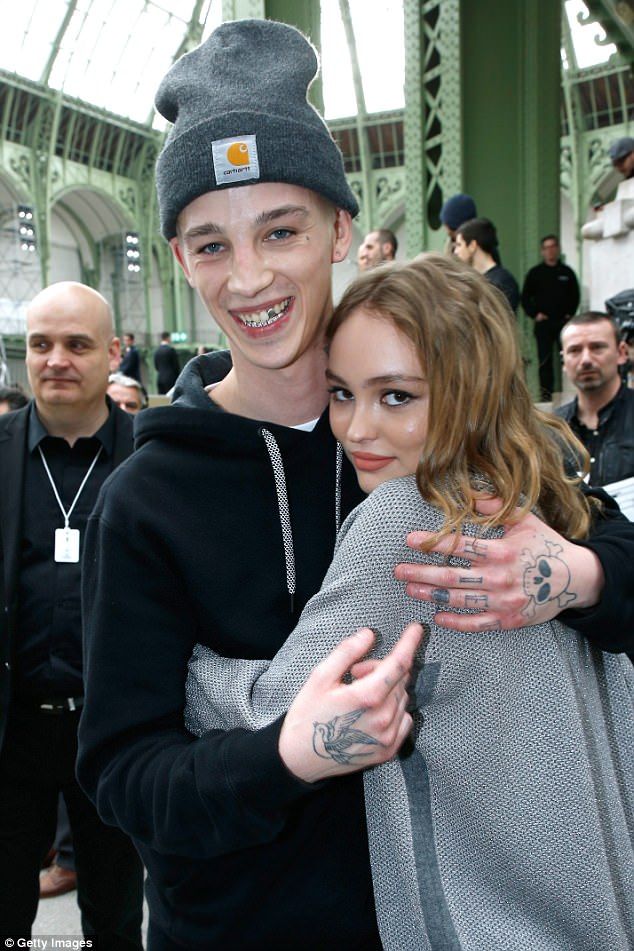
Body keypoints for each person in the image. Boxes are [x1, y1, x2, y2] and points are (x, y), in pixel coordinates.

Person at [77, 20, 634, 951]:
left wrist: (577, 576)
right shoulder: (143, 499)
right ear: (179, 258)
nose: (249, 276)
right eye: (211, 244)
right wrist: (283, 755)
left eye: (281, 230)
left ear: (341, 229)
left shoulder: (442, 442)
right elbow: (125, 776)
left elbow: (610, 541)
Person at [185, 254, 634, 951]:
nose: (357, 428)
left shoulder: (406, 517)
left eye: (396, 396)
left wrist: (178, 663)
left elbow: (279, 709)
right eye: (341, 393)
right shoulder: (549, 492)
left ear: (470, 393)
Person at [0, 282, 144, 945]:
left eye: (77, 344)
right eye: (41, 344)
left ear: (112, 353)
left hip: (113, 729)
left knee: (114, 915)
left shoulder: (150, 456)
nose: (56, 359)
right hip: (13, 729)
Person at [556, 311, 634, 486]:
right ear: (563, 361)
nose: (586, 360)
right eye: (575, 350)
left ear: (621, 353)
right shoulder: (550, 431)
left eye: (597, 347)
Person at [521, 234, 580, 401]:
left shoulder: (567, 272)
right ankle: (546, 397)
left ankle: (571, 394)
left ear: (558, 249)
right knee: (545, 361)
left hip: (563, 324)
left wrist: (569, 314)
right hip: (544, 324)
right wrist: (535, 314)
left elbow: (575, 295)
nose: (550, 251)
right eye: (546, 248)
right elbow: (525, 298)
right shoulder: (536, 273)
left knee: (568, 357)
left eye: (553, 246)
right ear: (542, 251)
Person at [453, 217, 519, 312]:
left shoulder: (503, 282)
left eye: (459, 245)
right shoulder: (471, 279)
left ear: (472, 246)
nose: (456, 251)